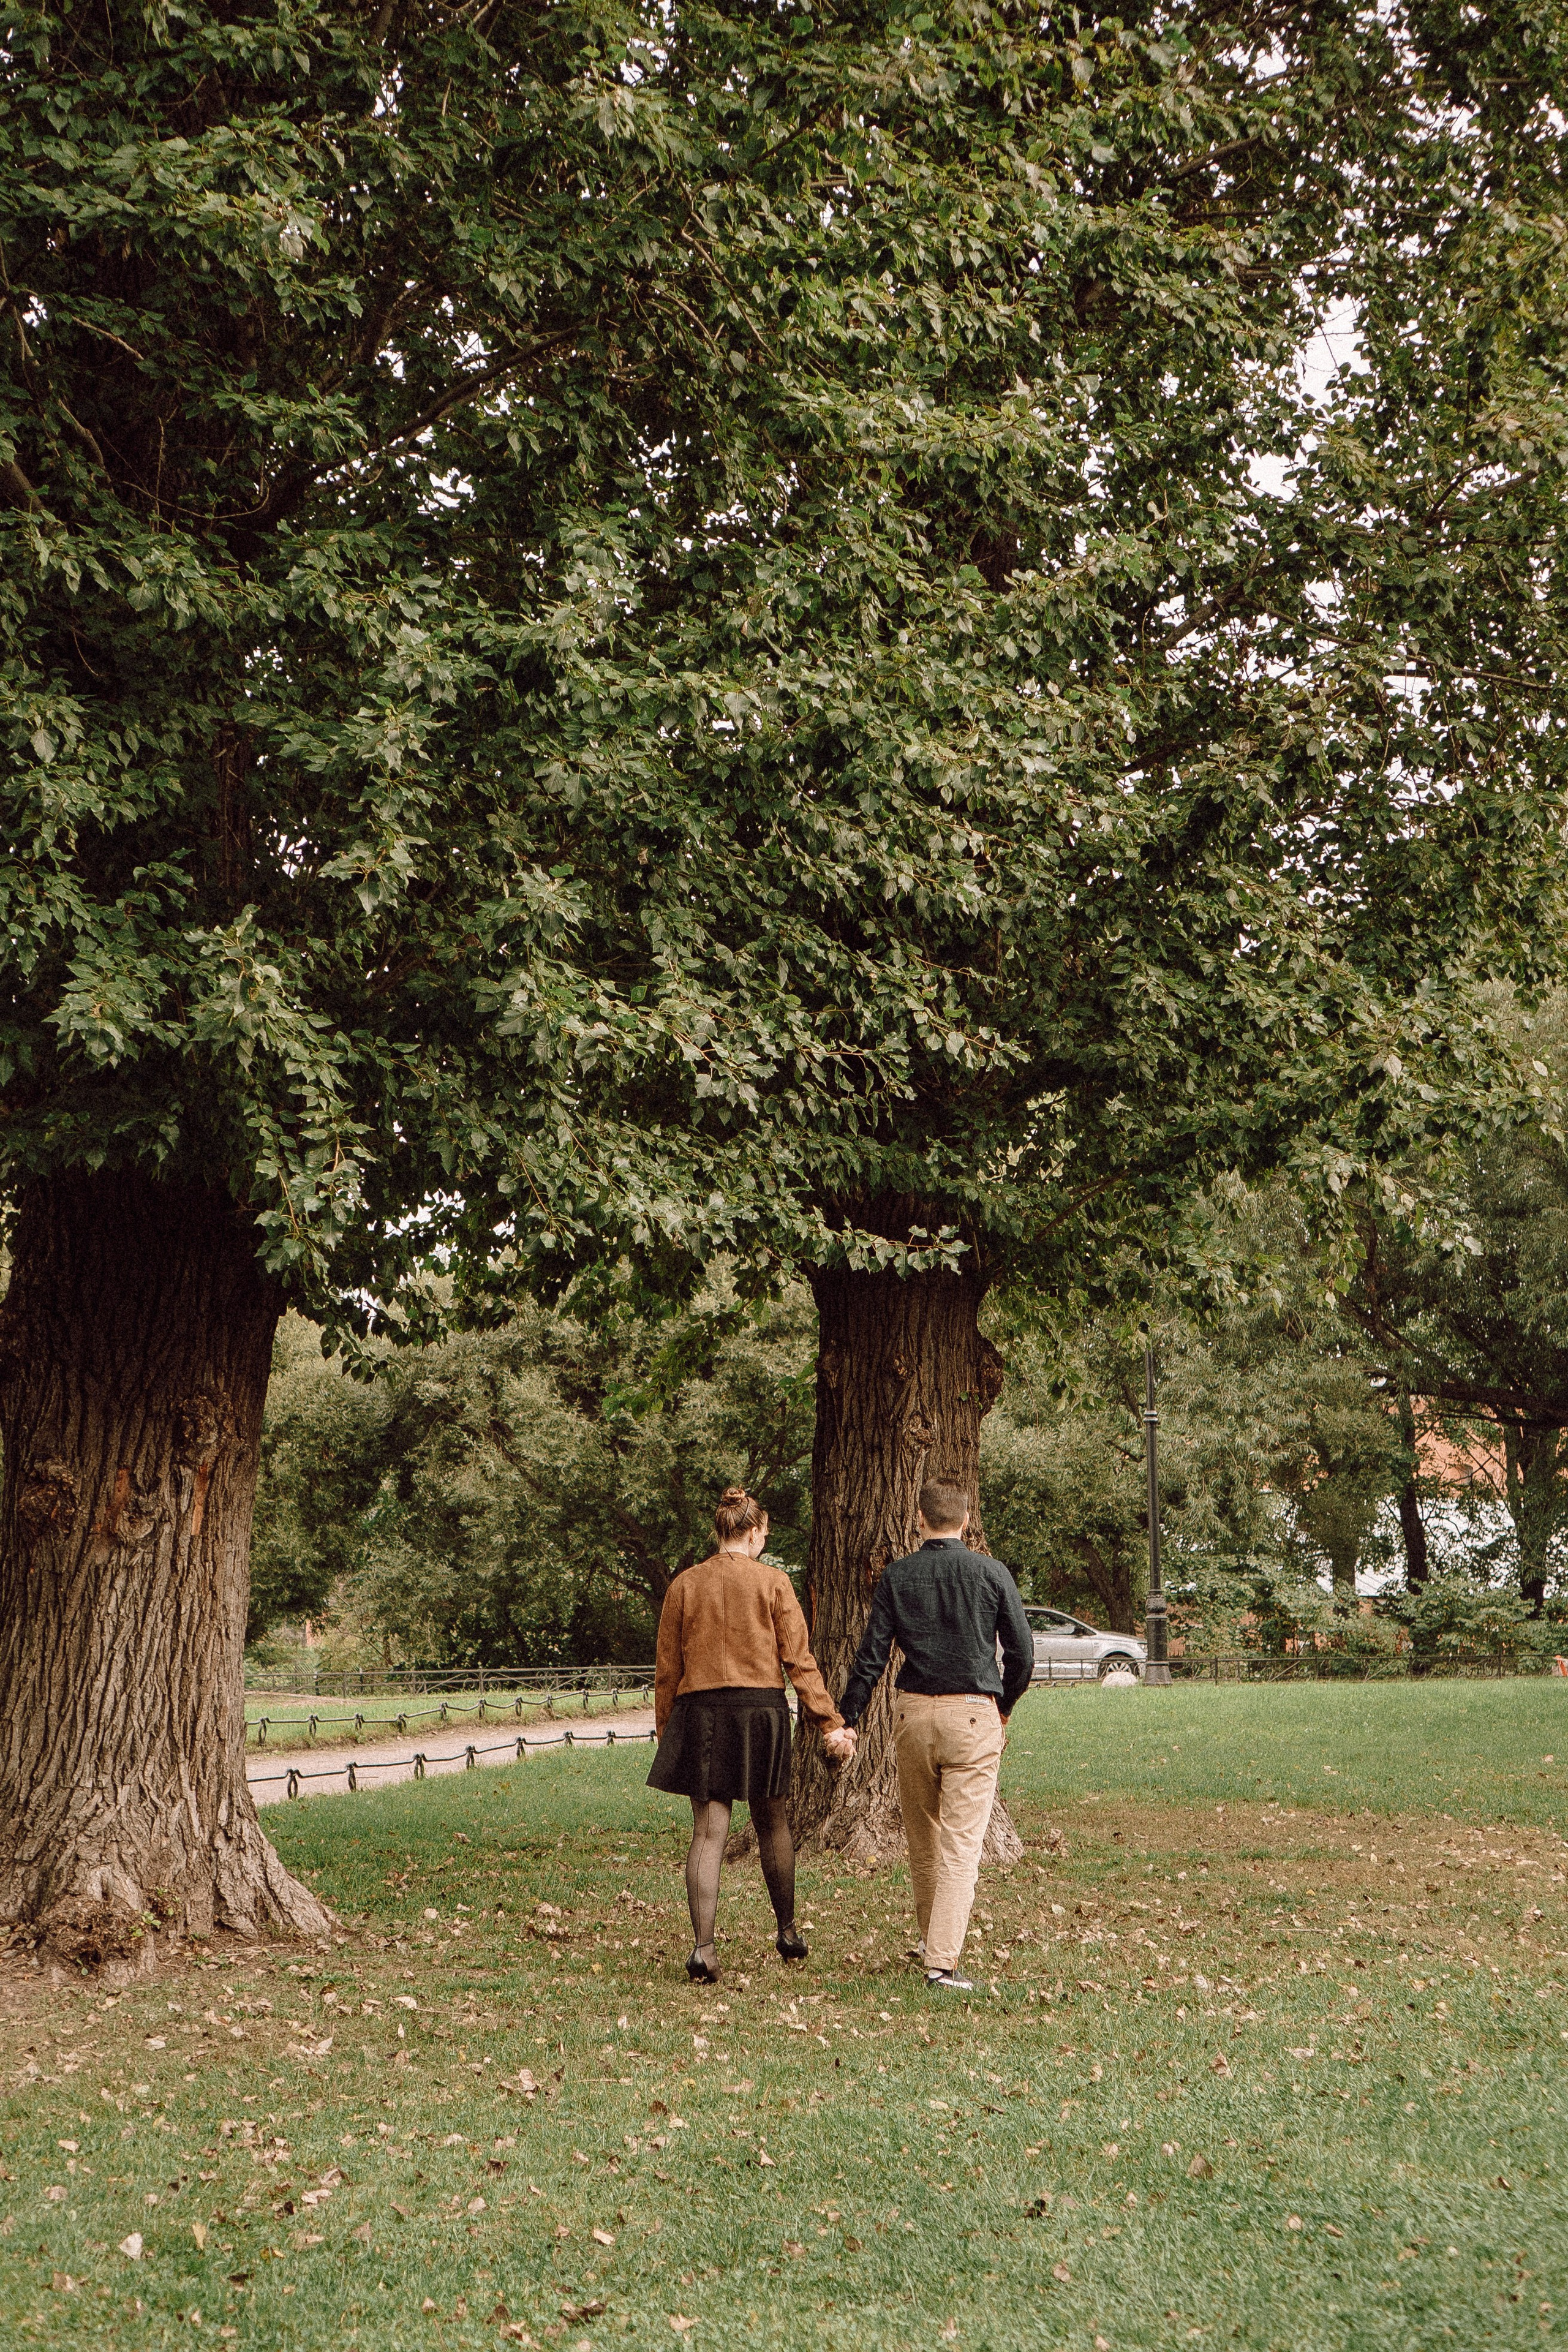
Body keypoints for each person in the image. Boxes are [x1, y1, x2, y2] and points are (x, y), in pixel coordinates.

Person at [830, 1479, 1034, 1992]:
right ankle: (942, 1963)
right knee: (962, 1843)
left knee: (922, 1836)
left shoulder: (898, 1576)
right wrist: (1003, 1706)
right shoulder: (991, 1572)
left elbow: (871, 1657)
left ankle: (931, 1941)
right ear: (965, 1522)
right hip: (972, 1713)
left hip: (914, 1715)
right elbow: (1023, 1655)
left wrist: (848, 1717)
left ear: (919, 1521)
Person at [649, 1485, 845, 1984]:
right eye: (764, 1536)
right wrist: (829, 1721)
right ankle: (787, 1930)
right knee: (772, 1823)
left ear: (721, 1532)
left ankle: (703, 1948)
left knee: (709, 1832)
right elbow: (800, 1663)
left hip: (701, 1712)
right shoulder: (775, 1583)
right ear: (754, 1533)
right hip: (761, 1711)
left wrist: (667, 1730)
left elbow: (667, 1671)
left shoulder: (684, 1586)